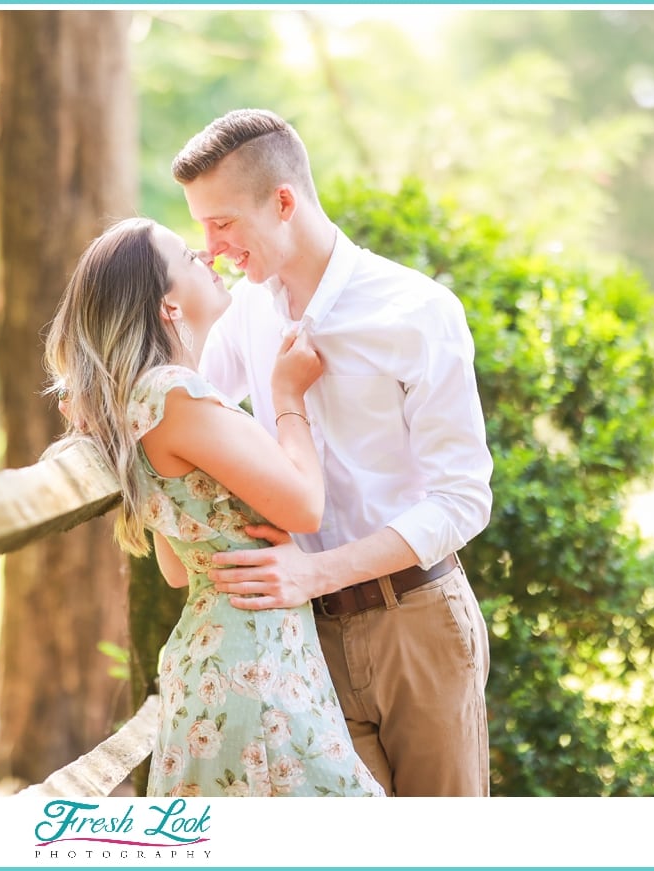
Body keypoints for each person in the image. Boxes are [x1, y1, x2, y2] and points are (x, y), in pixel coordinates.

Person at [171, 109, 494, 797]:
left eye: (222, 222)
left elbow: (463, 499)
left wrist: (315, 572)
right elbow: (183, 402)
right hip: (302, 638)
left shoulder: (417, 311)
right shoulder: (245, 315)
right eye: (200, 226)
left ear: (283, 202)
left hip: (419, 626)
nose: (210, 247)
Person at [44, 217, 383, 798]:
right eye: (186, 255)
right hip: (255, 668)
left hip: (214, 663)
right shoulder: (177, 393)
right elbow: (305, 506)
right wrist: (287, 396)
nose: (205, 253)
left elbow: (180, 568)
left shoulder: (137, 403)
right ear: (168, 307)